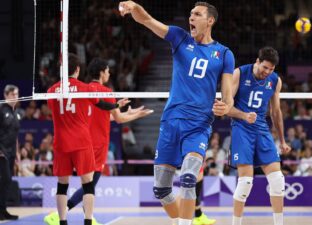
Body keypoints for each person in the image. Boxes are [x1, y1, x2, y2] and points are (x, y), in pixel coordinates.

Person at [118, 1, 234, 225]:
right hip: (171, 121)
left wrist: (226, 107)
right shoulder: (180, 38)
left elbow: (228, 96)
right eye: (191, 13)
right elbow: (147, 20)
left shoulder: (224, 54)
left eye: (197, 14)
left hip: (198, 125)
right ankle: (184, 219)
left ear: (210, 21)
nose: (191, 17)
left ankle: (185, 222)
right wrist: (134, 6)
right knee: (161, 189)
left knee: (189, 177)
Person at [44, 57, 153, 225]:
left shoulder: (53, 90)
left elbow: (99, 117)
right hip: (88, 143)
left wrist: (126, 111)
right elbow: (116, 117)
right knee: (89, 184)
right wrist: (133, 112)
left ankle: (62, 218)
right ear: (101, 72)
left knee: (63, 184)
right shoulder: (93, 91)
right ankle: (84, 218)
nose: (109, 73)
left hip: (63, 141)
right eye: (108, 71)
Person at [227, 47, 291, 225]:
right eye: (265, 68)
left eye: (271, 69)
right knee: (246, 181)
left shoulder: (275, 80)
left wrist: (283, 140)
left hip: (262, 128)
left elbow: (276, 112)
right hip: (241, 126)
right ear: (257, 61)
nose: (267, 72)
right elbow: (226, 107)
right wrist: (243, 115)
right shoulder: (239, 73)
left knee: (278, 181)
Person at [0, 85, 21, 221]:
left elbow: (15, 134)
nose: (16, 97)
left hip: (12, 152)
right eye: (13, 94)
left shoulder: (16, 112)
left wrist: (17, 151)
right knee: (5, 179)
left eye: (17, 94)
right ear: (6, 95)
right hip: (2, 152)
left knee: (8, 182)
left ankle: (3, 210)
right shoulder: (1, 110)